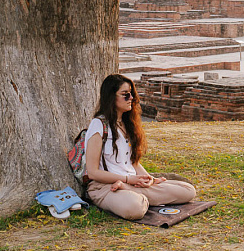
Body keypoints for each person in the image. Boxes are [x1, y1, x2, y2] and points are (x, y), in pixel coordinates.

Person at [84, 74, 196, 220]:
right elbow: (92, 173)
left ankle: (133, 192)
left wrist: (148, 178)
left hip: (131, 184)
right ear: (111, 97)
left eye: (131, 94)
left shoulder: (127, 124)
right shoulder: (98, 125)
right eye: (125, 95)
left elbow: (133, 162)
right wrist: (128, 179)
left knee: (188, 191)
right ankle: (136, 196)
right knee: (134, 208)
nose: (131, 98)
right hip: (105, 187)